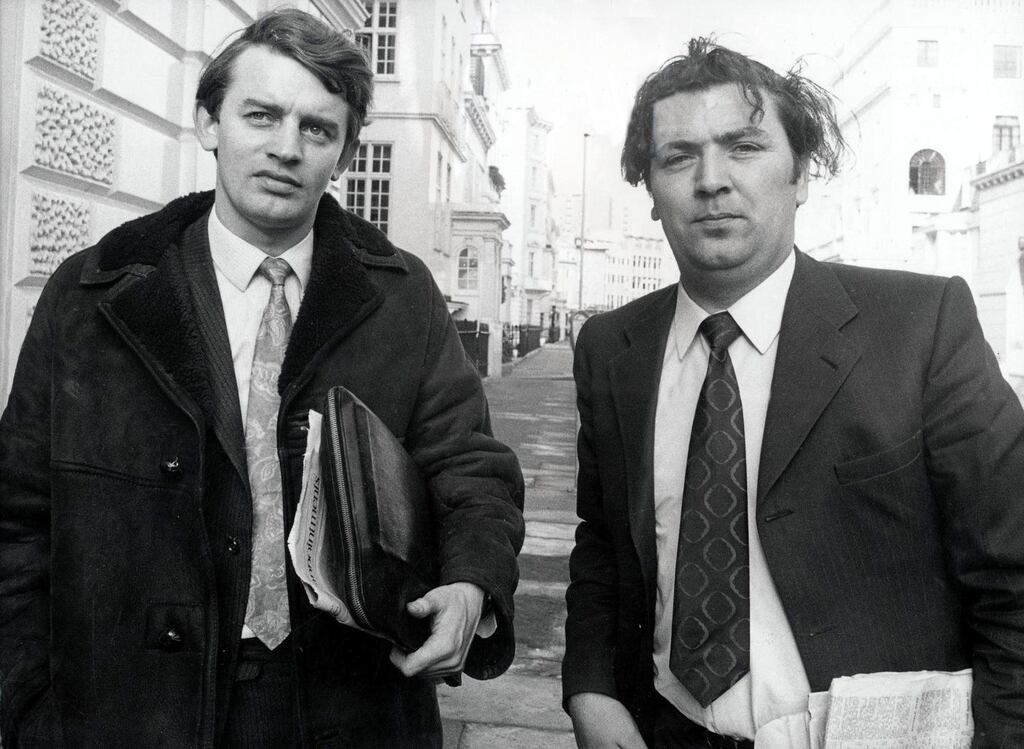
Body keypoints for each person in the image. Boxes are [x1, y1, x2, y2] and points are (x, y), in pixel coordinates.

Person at [0, 9, 524, 748]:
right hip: (130, 710)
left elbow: (470, 468)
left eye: (317, 129)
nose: (287, 148)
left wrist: (472, 580)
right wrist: (24, 708)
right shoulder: (95, 295)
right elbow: (18, 517)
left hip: (351, 706)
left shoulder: (403, 298)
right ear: (210, 123)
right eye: (261, 115)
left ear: (342, 154)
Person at [562, 37, 1024, 749]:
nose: (711, 179)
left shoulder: (920, 328)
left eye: (744, 146)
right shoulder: (612, 348)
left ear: (801, 172)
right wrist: (590, 684)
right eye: (678, 156)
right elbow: (604, 544)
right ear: (649, 190)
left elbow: (1013, 574)